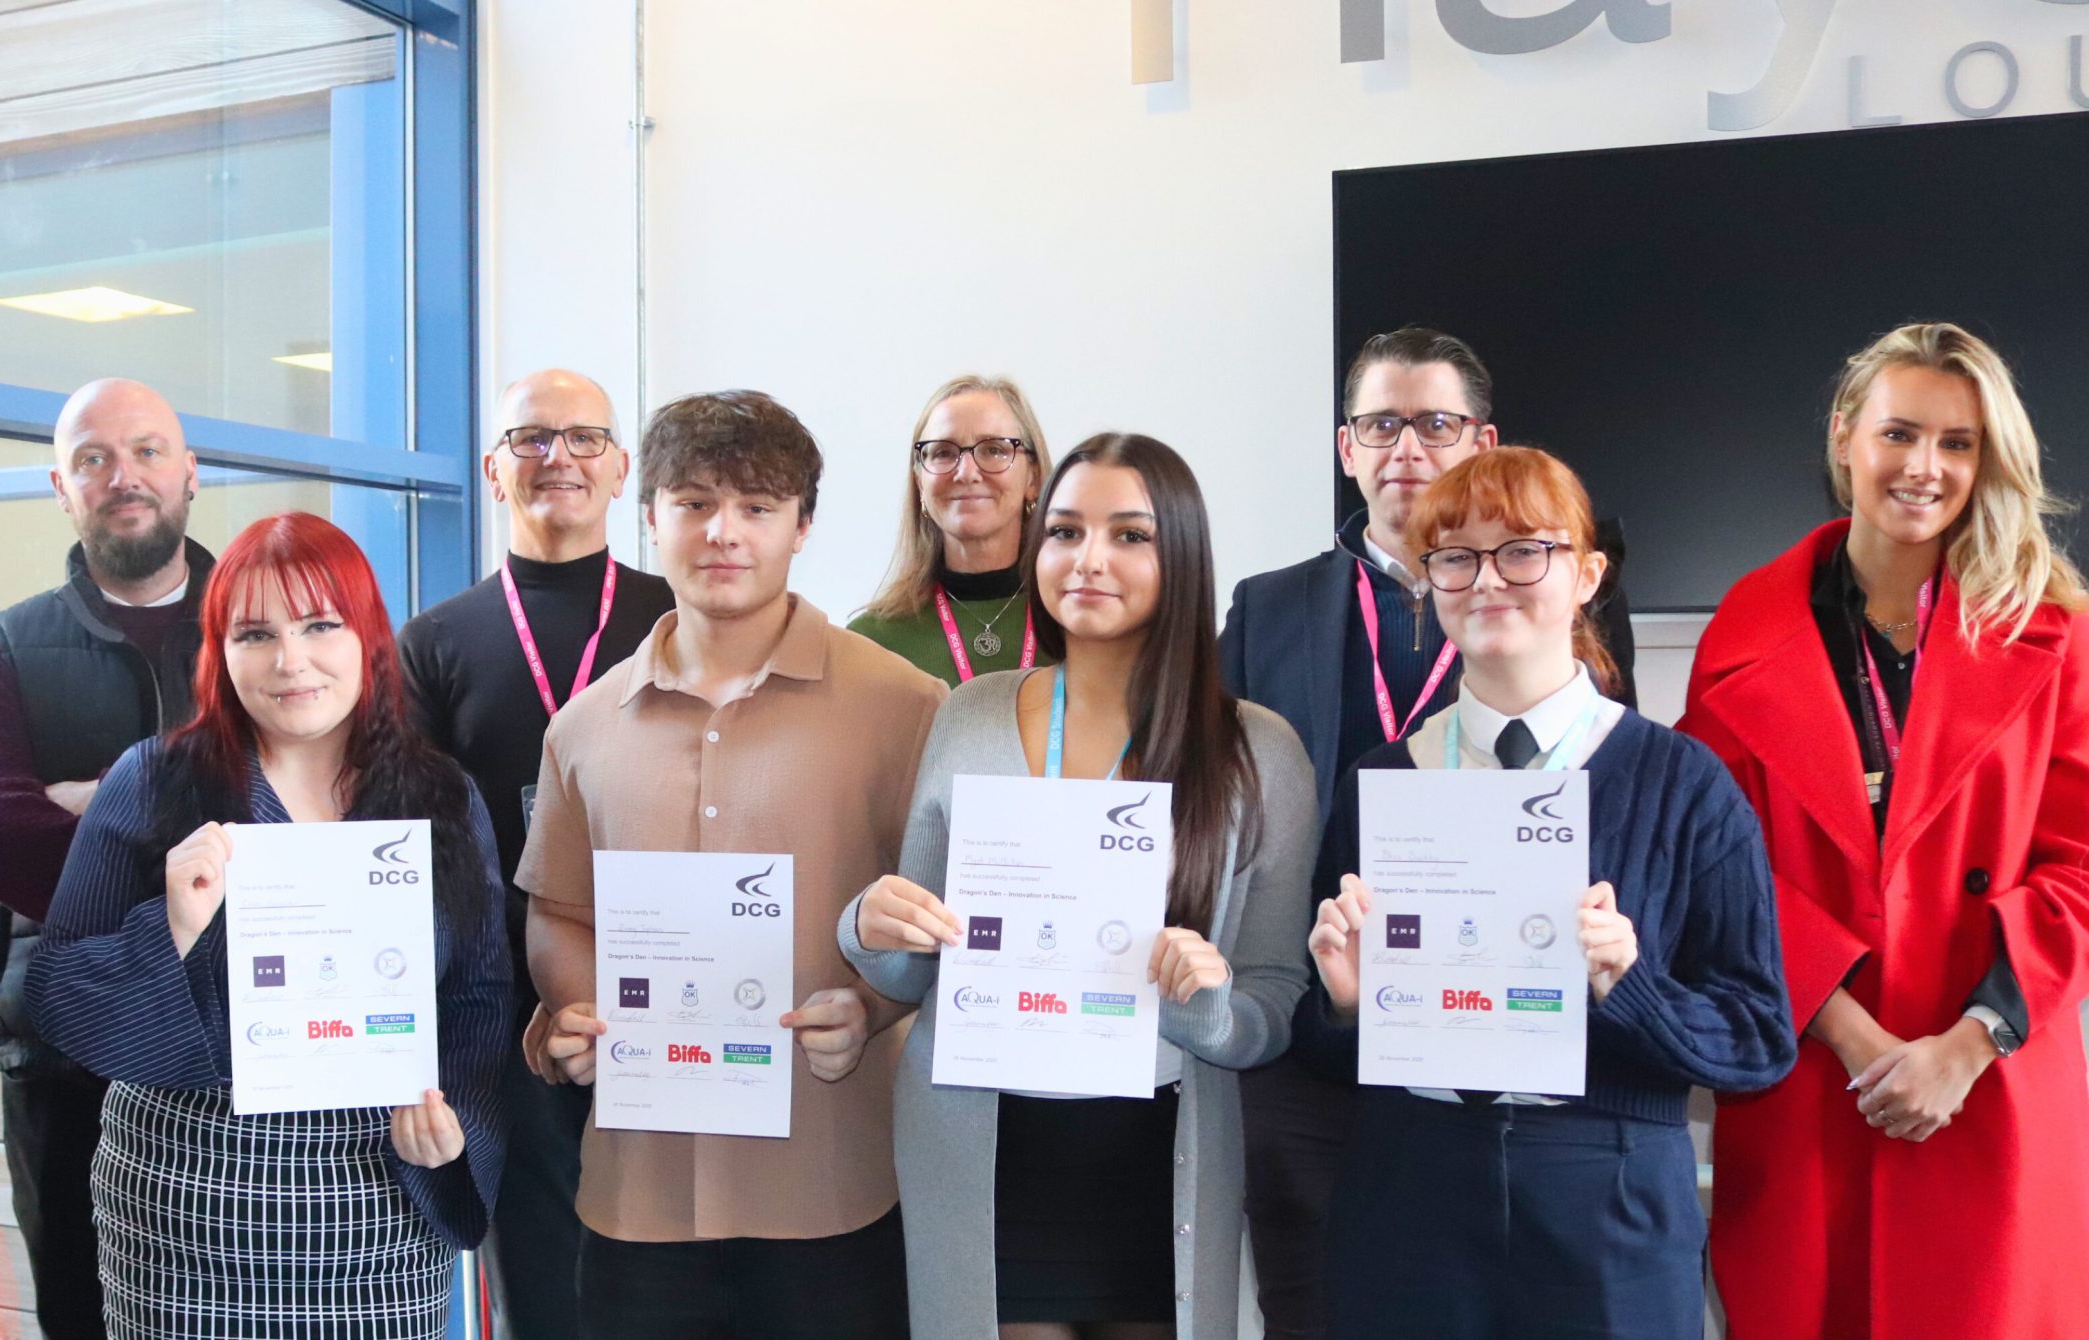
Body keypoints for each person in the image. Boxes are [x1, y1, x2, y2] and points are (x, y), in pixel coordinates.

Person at [1292, 447, 1793, 1339]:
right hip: (1412, 1193)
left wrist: (1630, 985)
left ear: (1589, 574)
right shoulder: (1381, 782)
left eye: (1524, 550)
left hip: (1609, 1192)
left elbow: (1757, 1041)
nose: (1488, 581)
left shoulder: (1683, 782)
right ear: (1428, 583)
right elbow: (1319, 1050)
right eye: (1455, 556)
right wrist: (1345, 1008)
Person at [840, 433, 1319, 1339]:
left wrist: (1210, 1005)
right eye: (1064, 532)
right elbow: (911, 972)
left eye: (1130, 536)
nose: (1088, 560)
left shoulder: (1258, 751)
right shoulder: (971, 711)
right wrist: (868, 926)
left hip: (1162, 1162)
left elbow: (1276, 1001)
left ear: (1181, 557)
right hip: (986, 1153)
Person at [1216, 326, 1636, 1339]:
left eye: (1435, 422)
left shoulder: (1555, 588)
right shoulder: (1264, 608)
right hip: (1318, 1032)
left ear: (1480, 438)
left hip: (1495, 1020)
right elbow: (1223, 807)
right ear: (1344, 447)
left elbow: (1607, 778)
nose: (1406, 447)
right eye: (1379, 423)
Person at [1679, 323, 2089, 1340]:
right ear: (1843, 437)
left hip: (1987, 1079)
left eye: (1956, 443)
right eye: (1899, 432)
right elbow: (1724, 866)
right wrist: (1856, 1037)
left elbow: (2078, 865)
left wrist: (1965, 1043)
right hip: (1815, 1073)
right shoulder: (1743, 628)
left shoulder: (2054, 630)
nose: (1924, 466)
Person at [519, 390, 947, 1339]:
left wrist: (876, 1004)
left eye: (757, 507)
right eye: (695, 502)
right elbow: (558, 912)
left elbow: (947, 922)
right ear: (650, 517)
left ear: (804, 526)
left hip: (829, 1189)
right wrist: (584, 1009)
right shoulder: (582, 727)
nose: (723, 533)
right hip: (637, 1196)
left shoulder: (906, 706)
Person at [22, 511, 510, 1339]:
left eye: (321, 625)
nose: (291, 661)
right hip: (186, 1206)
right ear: (219, 652)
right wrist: (169, 927)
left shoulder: (439, 798)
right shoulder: (155, 781)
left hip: (378, 1203)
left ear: (368, 639)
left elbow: (479, 993)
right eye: (256, 633)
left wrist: (451, 1127)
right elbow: (57, 995)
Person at [396, 368, 675, 1338]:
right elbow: (415, 845)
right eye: (531, 438)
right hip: (508, 1013)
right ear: (492, 466)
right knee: (546, 1294)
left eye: (583, 437)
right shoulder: (432, 642)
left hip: (671, 989)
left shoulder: (679, 619)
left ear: (620, 466)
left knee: (675, 1282)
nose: (557, 456)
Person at [0, 377, 213, 1340]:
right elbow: (6, 849)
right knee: (81, 1309)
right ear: (61, 486)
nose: (122, 476)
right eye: (92, 459)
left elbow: (321, 817)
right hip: (65, 1046)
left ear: (192, 471)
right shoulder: (1, 652)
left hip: (242, 1036)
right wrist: (200, 845)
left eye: (146, 451)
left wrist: (100, 807)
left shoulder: (266, 628)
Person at [848, 375, 1053, 686]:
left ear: (1033, 480)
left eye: (994, 450)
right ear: (920, 483)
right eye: (943, 452)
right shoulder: (871, 644)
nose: (966, 472)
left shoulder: (1076, 626)